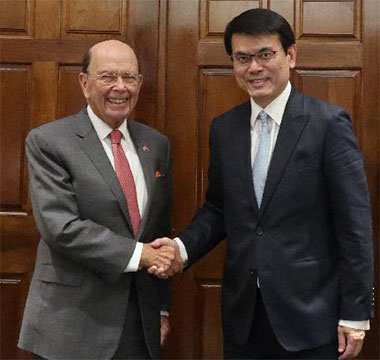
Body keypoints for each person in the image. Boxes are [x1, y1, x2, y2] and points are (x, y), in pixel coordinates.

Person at [151, 8, 373, 360]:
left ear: (291, 55)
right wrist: (180, 248)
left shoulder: (327, 124)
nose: (253, 67)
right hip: (244, 317)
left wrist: (356, 312)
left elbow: (354, 225)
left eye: (265, 55)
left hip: (311, 316)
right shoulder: (224, 128)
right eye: (242, 58)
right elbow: (219, 208)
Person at [18, 39, 182, 359]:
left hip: (138, 323)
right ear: (84, 83)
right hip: (70, 324)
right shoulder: (49, 141)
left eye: (129, 77)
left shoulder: (156, 145)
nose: (120, 87)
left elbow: (158, 232)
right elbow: (60, 227)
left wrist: (161, 308)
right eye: (107, 77)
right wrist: (141, 255)